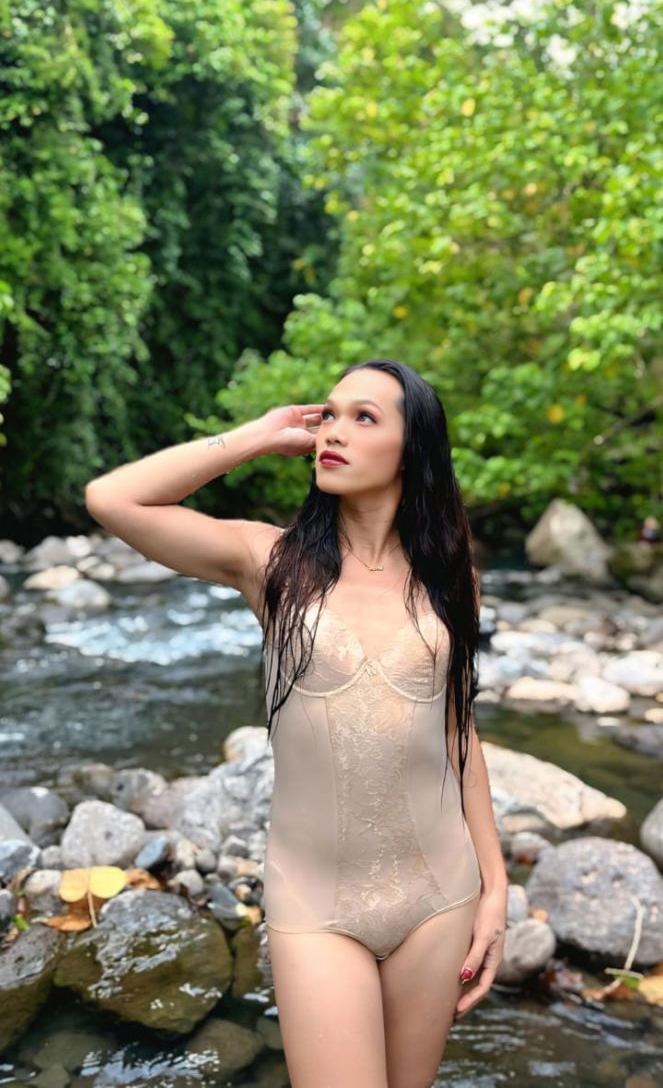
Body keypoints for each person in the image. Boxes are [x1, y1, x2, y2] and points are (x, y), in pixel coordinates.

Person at [85, 358, 508, 1088]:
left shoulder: (451, 579)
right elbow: (112, 498)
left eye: (364, 417)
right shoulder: (271, 561)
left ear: (413, 447)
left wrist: (494, 887)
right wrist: (256, 435)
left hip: (439, 897)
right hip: (316, 908)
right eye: (329, 415)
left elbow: (457, 734)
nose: (333, 432)